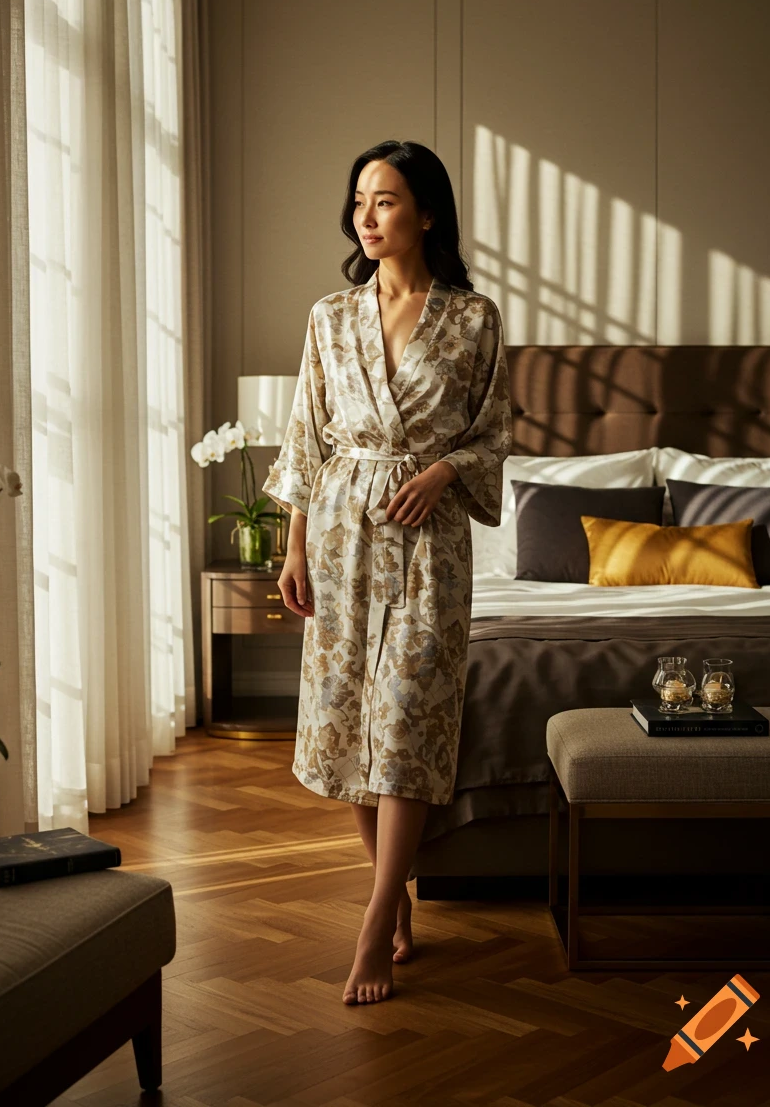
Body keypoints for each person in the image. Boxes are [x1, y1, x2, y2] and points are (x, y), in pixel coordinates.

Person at [261, 140, 512, 1006]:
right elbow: (306, 437)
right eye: (360, 202)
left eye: (388, 201)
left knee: (405, 718)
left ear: (428, 213)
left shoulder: (474, 320)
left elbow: (492, 434)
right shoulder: (330, 316)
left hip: (430, 538)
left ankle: (372, 925)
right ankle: (392, 892)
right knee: (346, 721)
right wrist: (293, 548)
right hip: (338, 530)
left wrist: (443, 470)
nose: (368, 217)